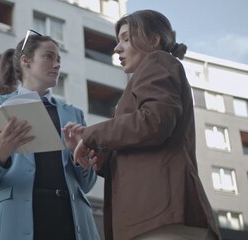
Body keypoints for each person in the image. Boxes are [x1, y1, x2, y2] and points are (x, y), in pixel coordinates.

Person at [71, 10, 222, 240]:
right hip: (154, 216)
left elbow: (154, 121)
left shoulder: (157, 60)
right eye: (117, 40)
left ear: (153, 40)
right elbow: (146, 139)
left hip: (160, 216)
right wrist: (101, 158)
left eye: (126, 39)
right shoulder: (149, 73)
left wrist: (92, 134)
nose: (117, 48)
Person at [0, 30, 100, 240]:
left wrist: (78, 156)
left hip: (70, 221)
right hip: (14, 221)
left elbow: (86, 185)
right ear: (26, 61)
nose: (57, 64)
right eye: (49, 56)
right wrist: (0, 154)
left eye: (59, 59)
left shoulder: (73, 114)